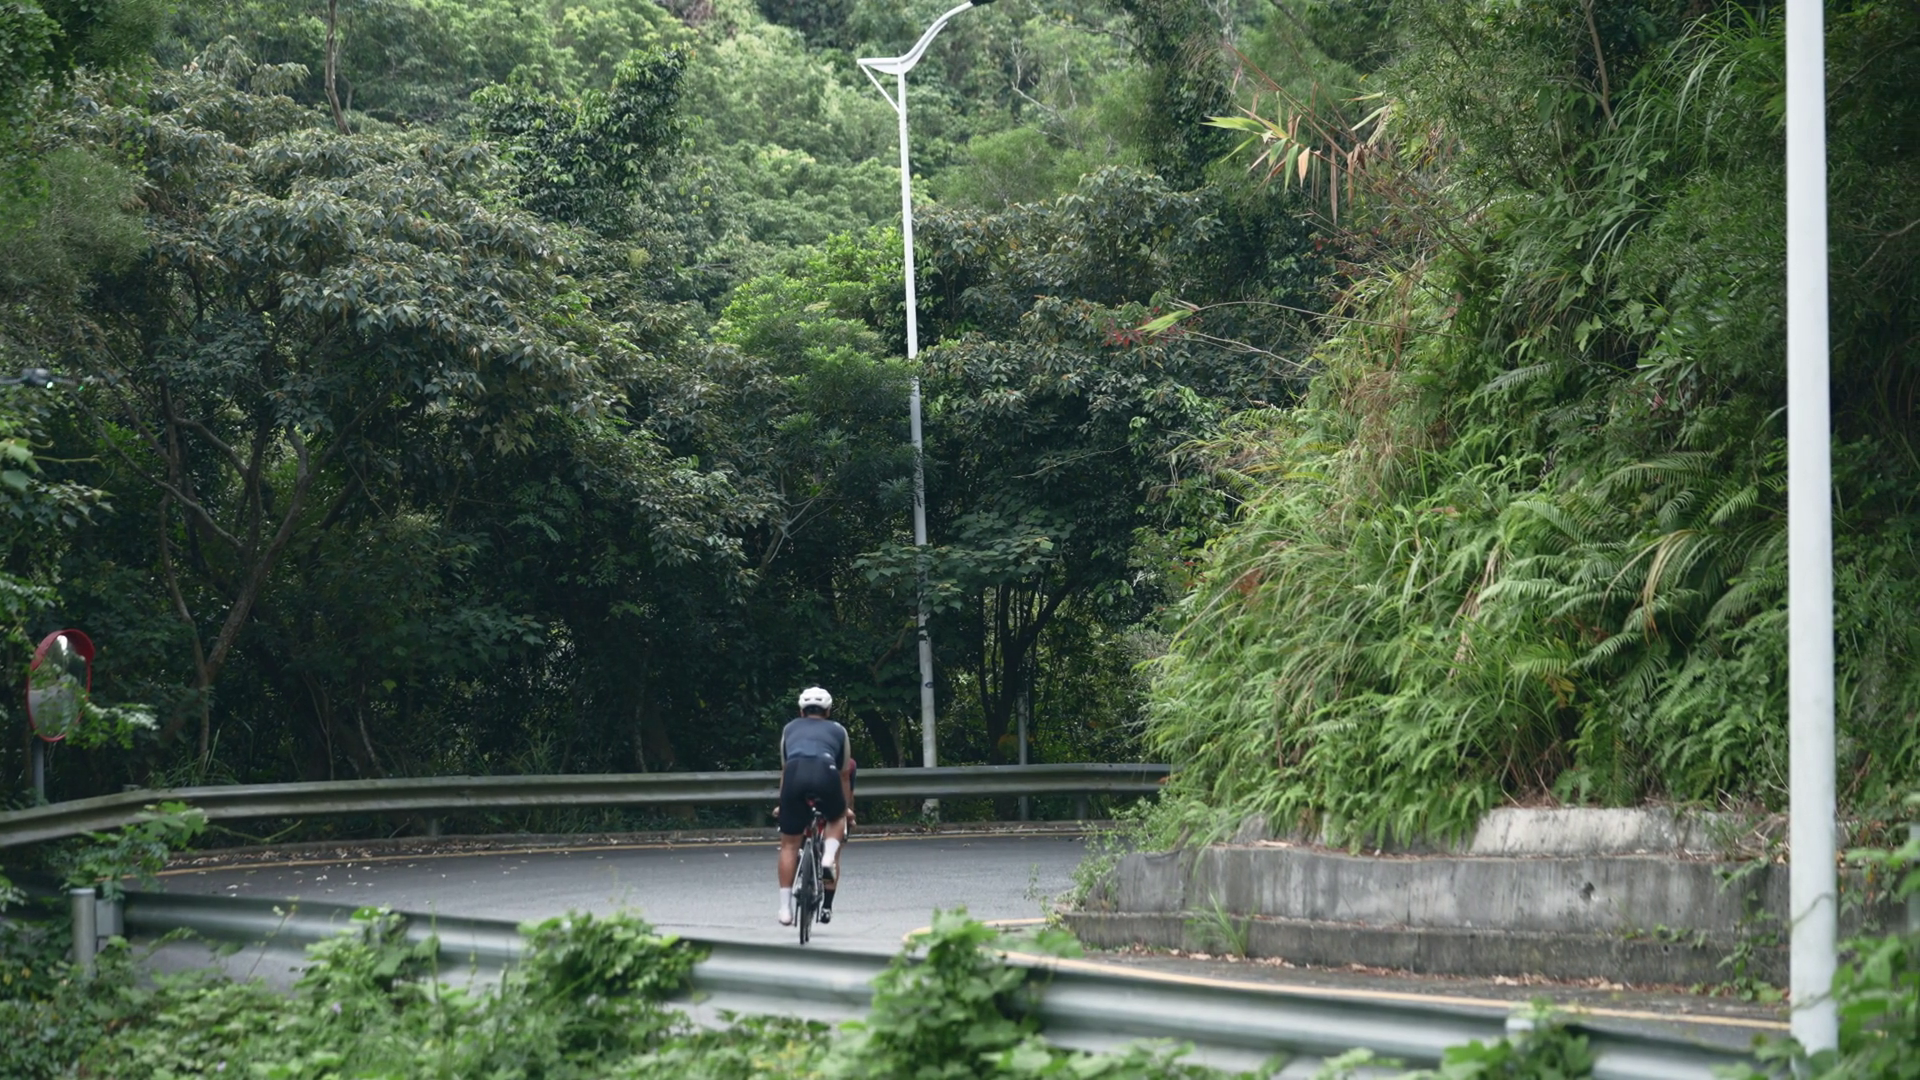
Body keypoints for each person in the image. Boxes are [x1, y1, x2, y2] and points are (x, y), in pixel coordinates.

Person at [775, 686, 855, 926]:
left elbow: (786, 769)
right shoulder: (838, 730)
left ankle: (785, 909)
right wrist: (845, 809)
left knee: (789, 845)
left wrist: (783, 804)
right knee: (836, 817)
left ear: (801, 711)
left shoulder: (789, 728)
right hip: (826, 772)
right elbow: (844, 774)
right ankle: (828, 857)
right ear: (828, 711)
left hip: (795, 775)